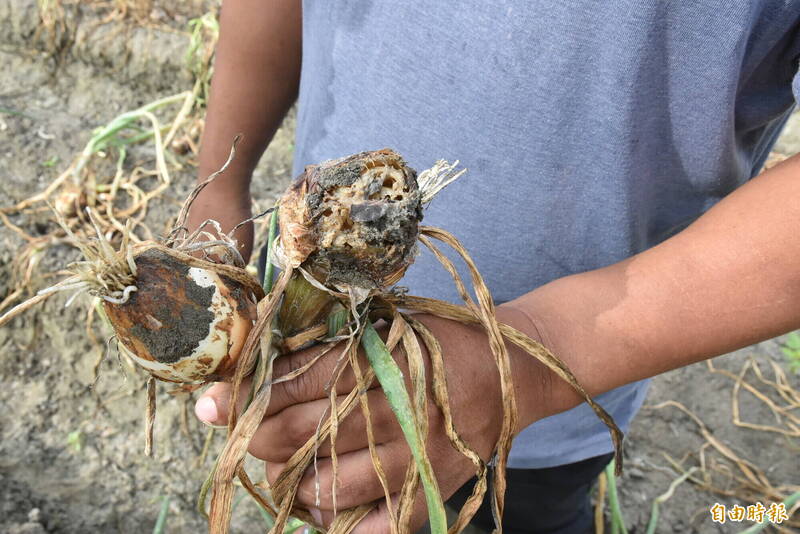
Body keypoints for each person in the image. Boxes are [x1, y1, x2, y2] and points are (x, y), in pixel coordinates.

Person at [188, 2, 800, 533]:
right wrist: (219, 181)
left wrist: (531, 360)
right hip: (312, 331)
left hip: (557, 397)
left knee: (523, 510)